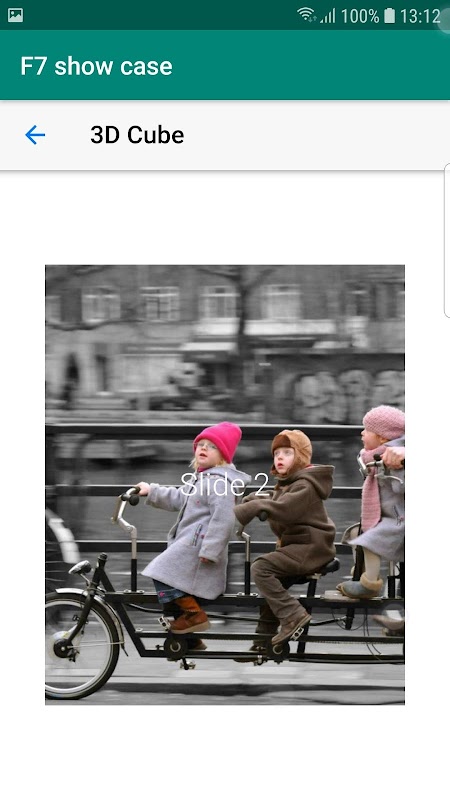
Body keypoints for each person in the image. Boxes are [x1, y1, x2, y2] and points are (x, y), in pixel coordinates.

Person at [136, 422, 250, 645]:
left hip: (200, 548)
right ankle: (190, 638)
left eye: (212, 446)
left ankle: (194, 616)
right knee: (169, 586)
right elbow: (179, 497)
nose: (204, 448)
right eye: (201, 444)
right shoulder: (202, 478)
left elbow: (224, 519)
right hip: (190, 545)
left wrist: (211, 550)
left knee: (161, 571)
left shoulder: (220, 483)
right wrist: (151, 491)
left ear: (223, 456)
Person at [234, 429, 336, 654]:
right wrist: (256, 498)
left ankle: (293, 616)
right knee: (273, 585)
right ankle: (263, 640)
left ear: (301, 457)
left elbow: (285, 509)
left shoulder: (305, 485)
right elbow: (277, 498)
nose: (279, 457)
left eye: (287, 453)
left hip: (311, 547)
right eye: (276, 453)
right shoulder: (291, 483)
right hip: (302, 546)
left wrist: (253, 507)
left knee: (261, 568)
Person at [337, 405, 405, 599]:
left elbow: (401, 487)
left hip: (398, 516)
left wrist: (392, 470)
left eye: (367, 430)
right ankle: (360, 571)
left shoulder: (394, 458)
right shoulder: (372, 457)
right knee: (355, 533)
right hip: (387, 514)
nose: (362, 432)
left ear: (382, 438)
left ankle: (370, 583)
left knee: (370, 540)